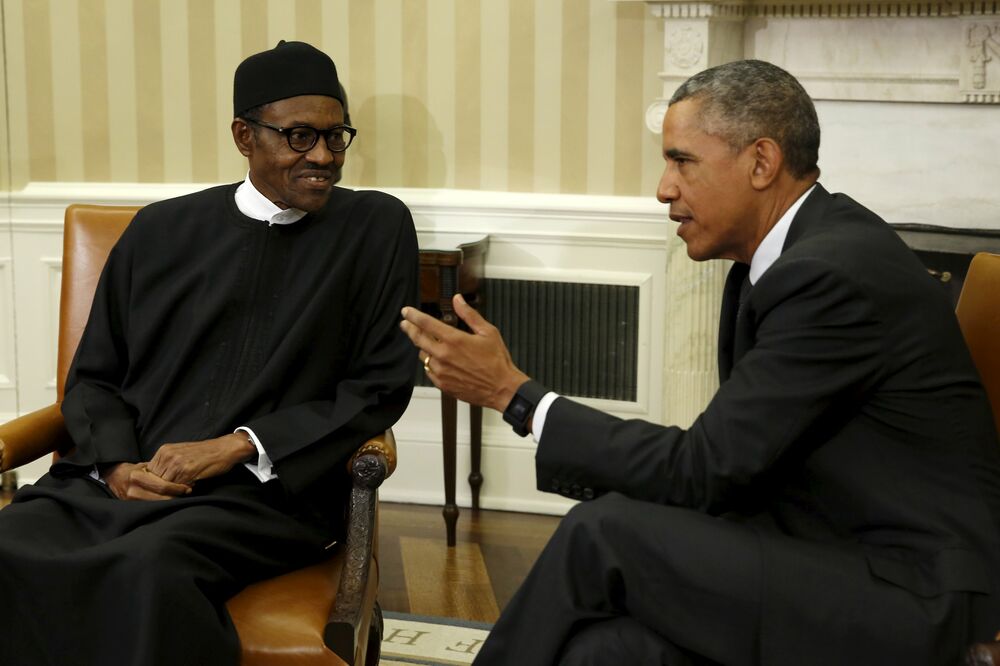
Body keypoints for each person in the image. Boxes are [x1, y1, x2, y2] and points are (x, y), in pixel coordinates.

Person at [400, 59, 1000, 665]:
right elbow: (731, 465)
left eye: (681, 161)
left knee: (601, 533)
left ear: (760, 162)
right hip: (828, 552)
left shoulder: (831, 274)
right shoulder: (777, 260)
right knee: (604, 653)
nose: (663, 187)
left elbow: (705, 470)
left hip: (915, 597)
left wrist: (515, 395)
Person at [0, 40, 418, 665]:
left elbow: (380, 387)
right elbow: (95, 377)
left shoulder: (374, 228)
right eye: (299, 136)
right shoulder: (160, 230)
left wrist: (238, 443)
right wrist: (116, 466)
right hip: (128, 479)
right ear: (244, 136)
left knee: (146, 569)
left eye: (337, 137)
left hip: (265, 494)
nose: (325, 157)